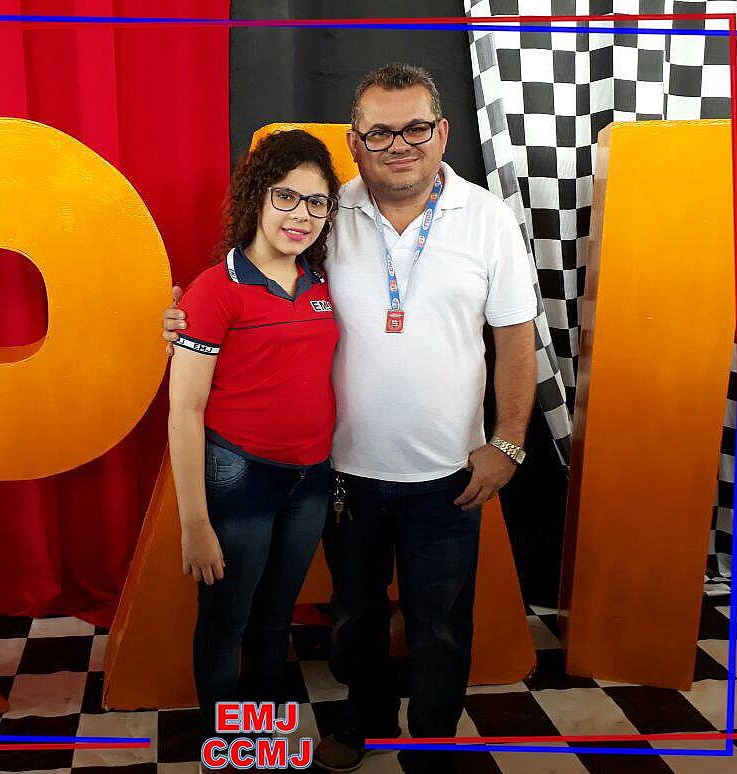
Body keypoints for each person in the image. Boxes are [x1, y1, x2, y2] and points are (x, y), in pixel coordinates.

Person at [165, 63, 538, 773]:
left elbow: (516, 336)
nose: (399, 145)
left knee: (440, 625)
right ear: (356, 142)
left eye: (415, 129)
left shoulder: (487, 218)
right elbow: (258, 287)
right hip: (342, 475)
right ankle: (359, 724)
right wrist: (187, 324)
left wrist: (510, 443)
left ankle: (431, 745)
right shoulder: (331, 214)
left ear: (443, 132)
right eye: (380, 133)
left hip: (449, 473)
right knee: (355, 616)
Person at [168, 129, 342, 747]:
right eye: (285, 196)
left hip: (311, 480)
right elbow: (184, 410)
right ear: (257, 197)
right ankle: (226, 749)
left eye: (316, 202)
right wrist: (195, 522)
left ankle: (262, 741)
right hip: (239, 478)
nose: (301, 215)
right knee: (227, 623)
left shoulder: (323, 284)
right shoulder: (214, 290)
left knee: (275, 620)